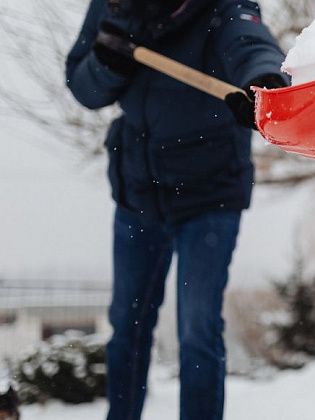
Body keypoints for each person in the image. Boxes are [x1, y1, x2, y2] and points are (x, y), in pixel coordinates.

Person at [65, 1, 287, 419]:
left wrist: (263, 82)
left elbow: (248, 42)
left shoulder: (221, 5)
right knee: (127, 328)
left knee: (197, 330)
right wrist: (106, 65)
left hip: (209, 194)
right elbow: (82, 89)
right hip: (138, 191)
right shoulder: (113, 7)